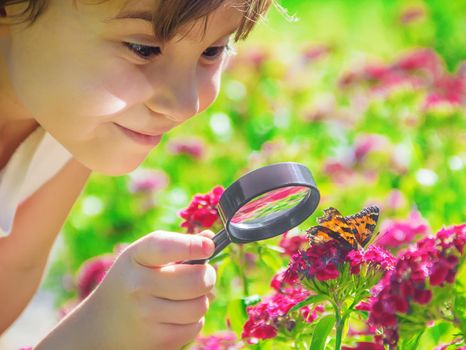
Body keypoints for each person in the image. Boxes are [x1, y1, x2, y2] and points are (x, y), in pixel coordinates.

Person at [0, 0, 272, 348]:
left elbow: (14, 268)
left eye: (212, 50)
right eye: (143, 49)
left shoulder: (69, 123)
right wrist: (91, 337)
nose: (184, 105)